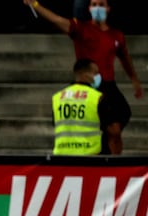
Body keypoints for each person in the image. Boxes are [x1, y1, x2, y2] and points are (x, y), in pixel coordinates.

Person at [23, 0, 143, 155]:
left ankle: (108, 154)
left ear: (108, 8)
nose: (97, 8)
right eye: (94, 4)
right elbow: (56, 20)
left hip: (108, 85)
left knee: (123, 115)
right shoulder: (80, 28)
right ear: (88, 8)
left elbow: (124, 57)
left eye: (101, 4)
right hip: (88, 85)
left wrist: (134, 79)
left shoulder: (116, 35)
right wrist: (36, 5)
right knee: (102, 126)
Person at [53, 59, 117, 155]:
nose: (98, 77)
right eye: (95, 73)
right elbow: (114, 131)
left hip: (62, 157)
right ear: (85, 75)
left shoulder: (58, 97)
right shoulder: (97, 97)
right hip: (90, 158)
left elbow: (56, 124)